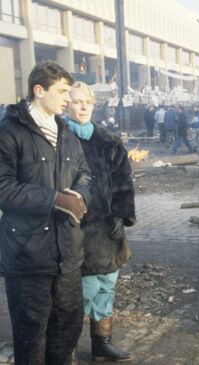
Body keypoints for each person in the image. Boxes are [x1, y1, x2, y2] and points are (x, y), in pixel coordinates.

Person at [0, 61, 92, 365]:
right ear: (39, 90)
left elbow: (84, 173)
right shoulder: (9, 132)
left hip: (67, 254)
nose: (68, 98)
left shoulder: (65, 131)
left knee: (67, 329)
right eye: (62, 91)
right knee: (32, 335)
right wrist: (53, 200)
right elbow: (3, 188)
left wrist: (79, 194)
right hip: (28, 255)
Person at [65, 81, 136, 362]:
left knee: (106, 285)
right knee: (82, 291)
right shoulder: (58, 139)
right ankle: (65, 347)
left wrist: (120, 215)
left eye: (88, 102)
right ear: (65, 104)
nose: (83, 107)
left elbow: (123, 182)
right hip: (75, 230)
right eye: (76, 101)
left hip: (107, 230)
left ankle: (101, 344)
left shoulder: (108, 140)